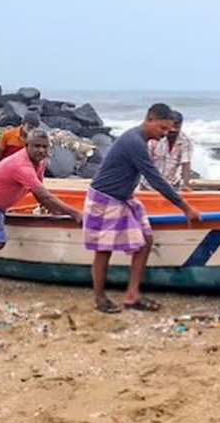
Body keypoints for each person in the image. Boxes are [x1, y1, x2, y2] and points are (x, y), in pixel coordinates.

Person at [84, 103, 201, 314]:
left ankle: (132, 294)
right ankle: (99, 299)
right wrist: (185, 208)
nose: (165, 134)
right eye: (162, 129)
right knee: (103, 252)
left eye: (168, 130)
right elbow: (156, 179)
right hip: (105, 199)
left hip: (124, 198)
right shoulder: (134, 141)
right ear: (150, 120)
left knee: (146, 240)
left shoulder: (142, 140)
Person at [0, 129, 82, 294]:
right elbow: (44, 194)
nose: (41, 151)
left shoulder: (40, 162)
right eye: (36, 146)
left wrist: (48, 208)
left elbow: (39, 188)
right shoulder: (21, 165)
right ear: (26, 146)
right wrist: (75, 213)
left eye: (45, 147)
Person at [140, 110, 194, 191]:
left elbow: (186, 163)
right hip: (149, 185)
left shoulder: (186, 141)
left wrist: (186, 185)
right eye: (171, 127)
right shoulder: (154, 137)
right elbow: (145, 162)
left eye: (177, 127)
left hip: (172, 185)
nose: (173, 130)